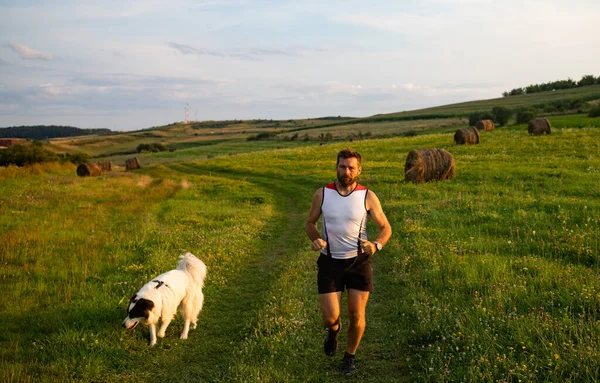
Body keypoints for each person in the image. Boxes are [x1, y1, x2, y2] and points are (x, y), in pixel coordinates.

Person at [305, 148, 392, 375]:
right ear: (336, 167)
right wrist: (315, 239)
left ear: (359, 170)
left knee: (356, 314)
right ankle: (333, 331)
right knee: (330, 318)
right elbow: (310, 222)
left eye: (351, 167)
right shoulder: (322, 194)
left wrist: (376, 245)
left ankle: (350, 356)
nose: (346, 171)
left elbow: (385, 227)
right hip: (330, 262)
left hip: (358, 262)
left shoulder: (367, 196)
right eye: (342, 166)